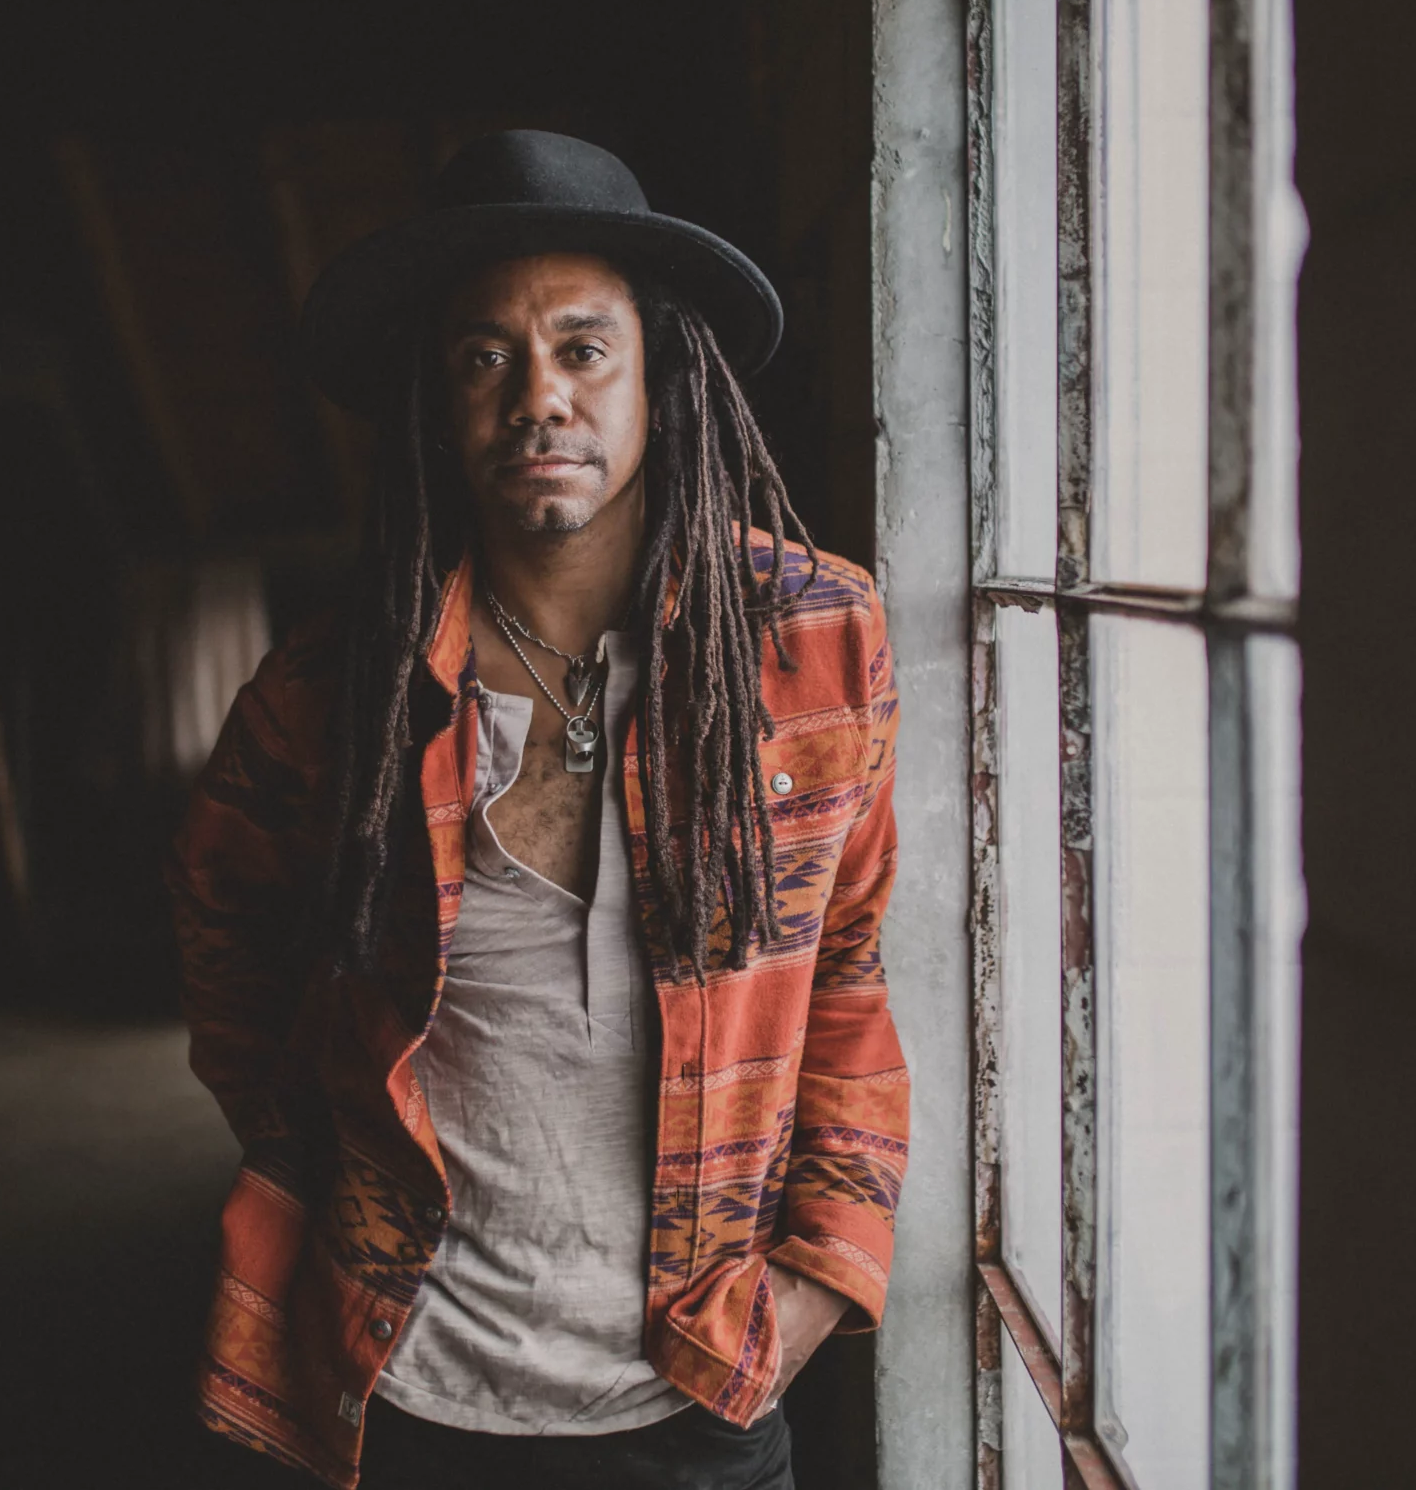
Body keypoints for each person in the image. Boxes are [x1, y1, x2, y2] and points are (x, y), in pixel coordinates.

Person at [170, 131, 907, 1490]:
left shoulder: (816, 648)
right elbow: (230, 952)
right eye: (483, 358)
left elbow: (849, 976)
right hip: (411, 1402)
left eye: (582, 349)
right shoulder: (331, 696)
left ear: (662, 378)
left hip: (698, 1400)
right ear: (434, 403)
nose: (536, 398)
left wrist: (814, 1281)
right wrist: (322, 1168)